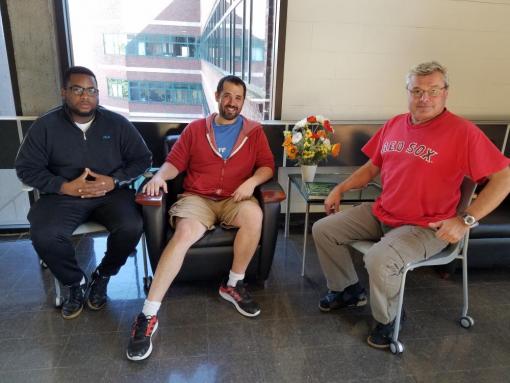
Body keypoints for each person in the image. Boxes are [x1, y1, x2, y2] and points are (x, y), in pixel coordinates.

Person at [312, 61, 510, 349]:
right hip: (384, 212)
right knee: (324, 230)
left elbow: (504, 178)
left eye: (432, 90)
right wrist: (339, 188)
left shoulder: (463, 132)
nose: (424, 98)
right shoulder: (394, 124)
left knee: (379, 259)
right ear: (408, 92)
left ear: (445, 93)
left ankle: (389, 318)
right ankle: (348, 291)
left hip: (427, 226)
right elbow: (370, 168)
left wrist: (465, 220)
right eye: (416, 90)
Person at [125, 75, 275, 361]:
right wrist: (158, 176)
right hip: (198, 199)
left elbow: (267, 166)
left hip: (235, 198)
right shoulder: (195, 130)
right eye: (227, 96)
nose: (232, 102)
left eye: (238, 98)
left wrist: (252, 182)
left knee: (255, 216)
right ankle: (148, 315)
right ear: (217, 96)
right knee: (184, 234)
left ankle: (232, 284)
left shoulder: (254, 132)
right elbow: (174, 163)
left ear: (243, 102)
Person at [15, 66, 152, 320]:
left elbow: (142, 159)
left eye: (91, 90)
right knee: (44, 234)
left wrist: (114, 180)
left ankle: (103, 275)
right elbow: (25, 168)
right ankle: (74, 283)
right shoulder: (46, 126)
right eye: (77, 90)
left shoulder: (116, 123)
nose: (85, 96)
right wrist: (63, 186)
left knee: (132, 225)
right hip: (63, 196)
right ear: (64, 93)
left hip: (110, 194)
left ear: (98, 94)